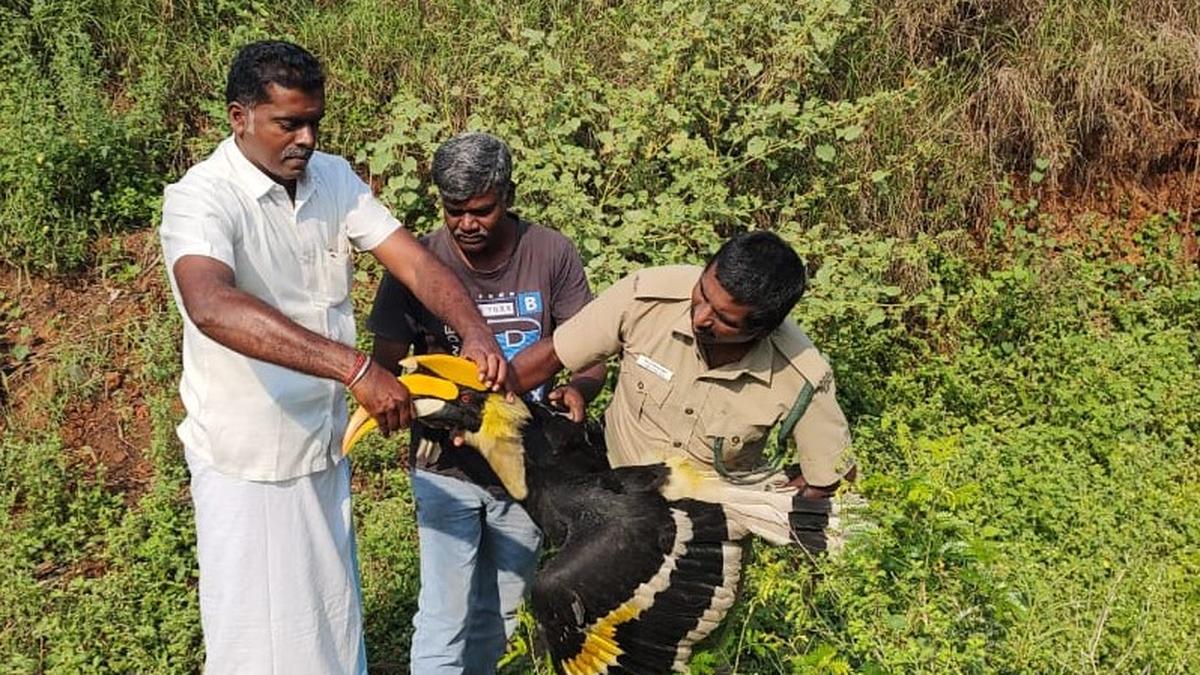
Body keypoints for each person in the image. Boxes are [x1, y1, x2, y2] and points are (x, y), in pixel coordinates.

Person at [158, 41, 506, 675]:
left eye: (314, 120)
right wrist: (356, 368)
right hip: (247, 458)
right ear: (240, 117)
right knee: (253, 639)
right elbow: (211, 305)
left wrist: (473, 330)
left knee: (328, 621)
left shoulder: (333, 179)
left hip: (320, 445)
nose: (306, 138)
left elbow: (415, 262)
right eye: (288, 123)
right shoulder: (202, 198)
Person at [366, 131, 606, 674]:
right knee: (445, 613)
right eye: (455, 211)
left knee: (502, 611)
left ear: (508, 196)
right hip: (444, 466)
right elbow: (387, 362)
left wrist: (579, 390)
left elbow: (590, 349)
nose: (466, 224)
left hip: (525, 469)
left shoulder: (550, 252)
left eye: (481, 210)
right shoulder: (419, 260)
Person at [509, 231, 855, 498]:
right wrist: (482, 397)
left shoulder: (802, 374)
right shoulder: (645, 297)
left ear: (763, 329)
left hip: (706, 538)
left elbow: (831, 476)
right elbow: (553, 355)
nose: (700, 318)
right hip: (615, 500)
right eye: (702, 293)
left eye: (724, 319)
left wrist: (759, 515)